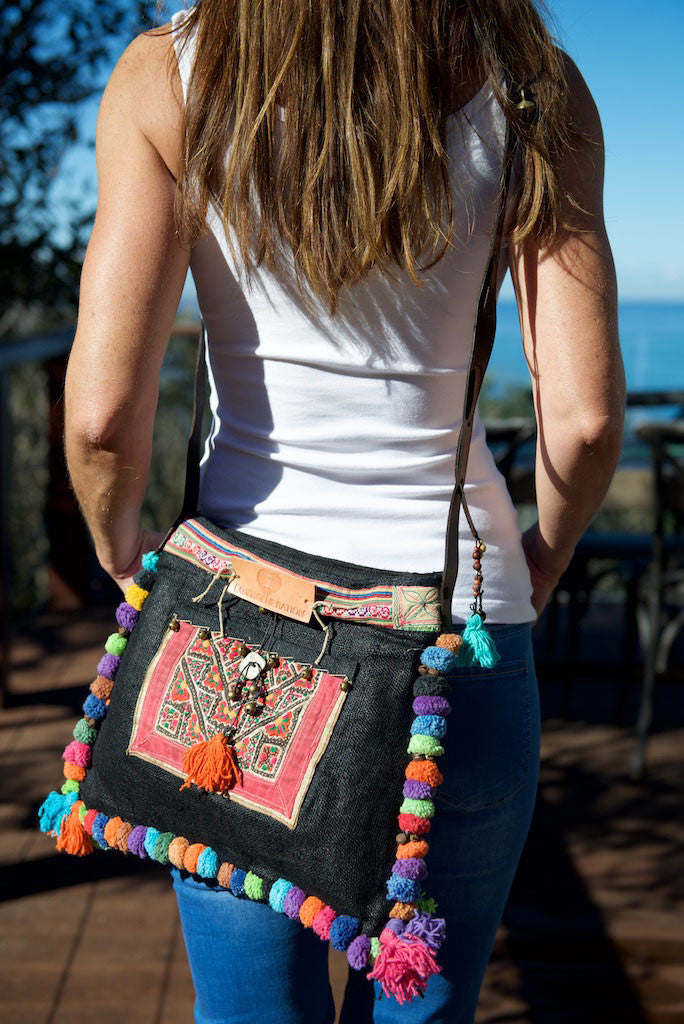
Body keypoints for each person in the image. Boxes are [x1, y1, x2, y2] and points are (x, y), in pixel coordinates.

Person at [63, 1, 625, 1020]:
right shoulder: (533, 82)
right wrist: (541, 556)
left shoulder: (168, 73)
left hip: (239, 639)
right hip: (459, 627)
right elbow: (582, 421)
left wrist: (121, 550)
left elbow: (103, 416)